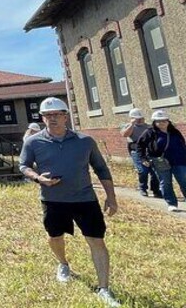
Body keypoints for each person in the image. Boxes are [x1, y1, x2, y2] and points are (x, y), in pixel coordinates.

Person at [19, 97, 120, 307]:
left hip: (84, 198)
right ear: (42, 118)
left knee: (96, 240)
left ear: (66, 116)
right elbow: (24, 166)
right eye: (47, 115)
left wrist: (111, 197)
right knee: (54, 236)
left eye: (57, 114)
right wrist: (39, 178)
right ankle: (63, 264)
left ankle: (104, 288)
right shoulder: (33, 142)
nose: (52, 119)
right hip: (53, 200)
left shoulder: (85, 141)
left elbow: (101, 168)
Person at [137, 110, 186, 213]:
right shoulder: (149, 132)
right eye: (158, 121)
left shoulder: (174, 132)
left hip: (179, 160)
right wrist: (143, 158)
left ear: (168, 121)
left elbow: (182, 144)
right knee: (166, 182)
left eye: (164, 121)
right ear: (154, 122)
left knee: (183, 180)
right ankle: (171, 203)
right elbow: (140, 145)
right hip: (160, 161)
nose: (161, 123)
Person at [119, 108, 161, 198]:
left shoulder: (148, 126)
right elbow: (124, 134)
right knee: (143, 171)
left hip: (149, 151)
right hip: (136, 152)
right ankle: (143, 188)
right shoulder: (128, 126)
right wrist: (132, 124)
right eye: (137, 118)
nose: (140, 120)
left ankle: (156, 190)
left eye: (141, 118)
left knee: (154, 172)